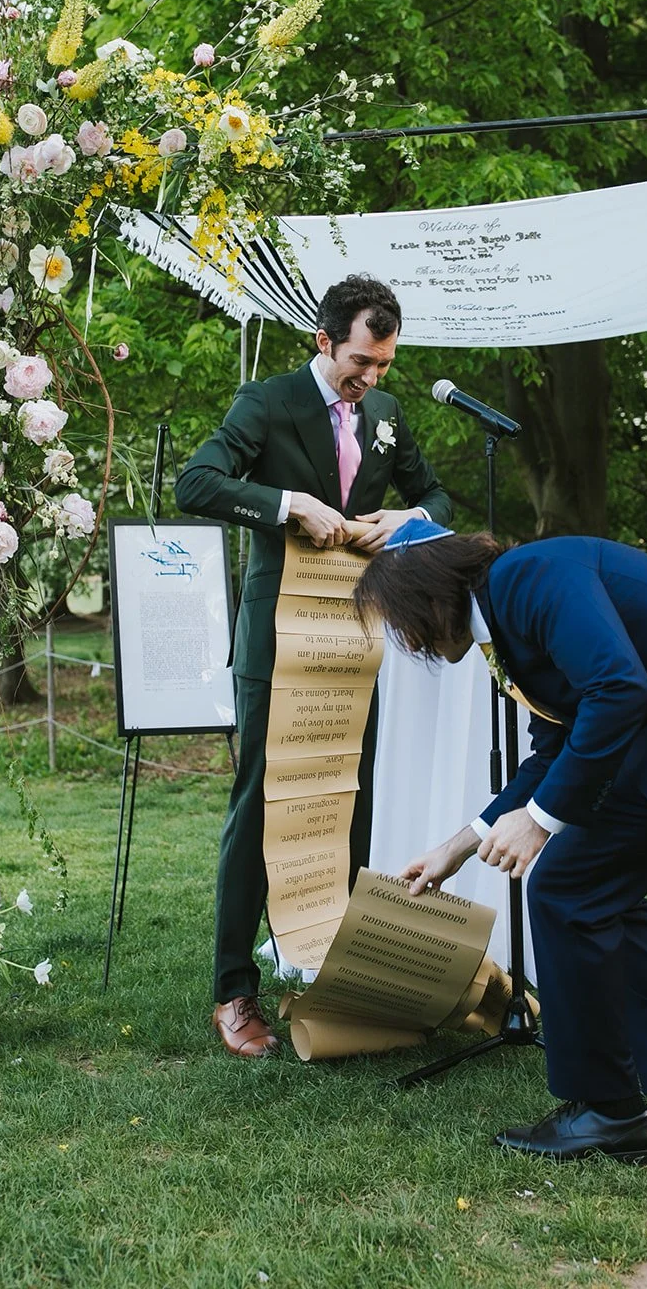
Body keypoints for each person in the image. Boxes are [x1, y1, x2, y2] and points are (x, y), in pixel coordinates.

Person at [352, 522, 647, 1164]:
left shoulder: (530, 577)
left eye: (404, 625)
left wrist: (541, 822)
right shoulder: (509, 611)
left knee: (568, 888)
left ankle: (608, 1110)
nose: (411, 643)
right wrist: (459, 845)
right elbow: (557, 746)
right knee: (605, 895)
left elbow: (619, 689)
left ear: (429, 597)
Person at [175, 275, 451, 1057]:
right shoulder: (264, 403)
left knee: (353, 803)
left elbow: (435, 495)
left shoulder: (389, 415)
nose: (371, 379)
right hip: (277, 640)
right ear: (322, 341)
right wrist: (287, 503)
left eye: (385, 366)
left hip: (360, 636)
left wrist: (411, 516)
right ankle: (234, 991)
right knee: (260, 806)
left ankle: (341, 978)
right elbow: (195, 482)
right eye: (360, 362)